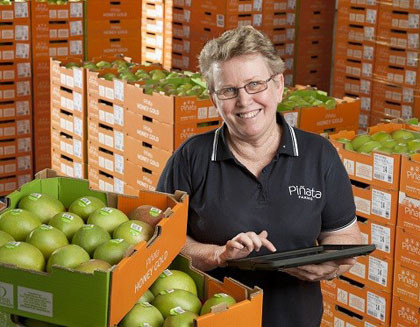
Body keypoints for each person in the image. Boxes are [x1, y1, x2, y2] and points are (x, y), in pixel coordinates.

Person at [157, 25, 362, 327]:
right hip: (207, 319)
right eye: (228, 90)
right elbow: (162, 240)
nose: (244, 101)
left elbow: (344, 234)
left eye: (255, 84)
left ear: (278, 85)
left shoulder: (319, 155)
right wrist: (219, 255)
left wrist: (330, 266)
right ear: (214, 98)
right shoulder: (191, 157)